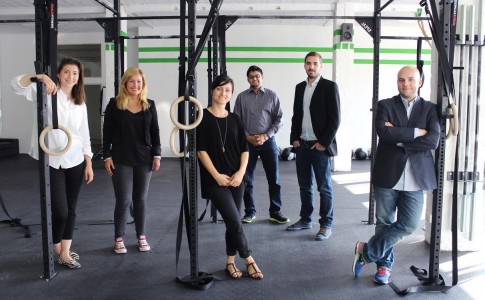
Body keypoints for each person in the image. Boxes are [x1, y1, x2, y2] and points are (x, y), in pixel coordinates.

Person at [352, 66, 440, 285]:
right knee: (384, 223)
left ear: (419, 82)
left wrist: (398, 135)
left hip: (416, 178)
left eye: (410, 80)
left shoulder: (430, 109)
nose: (405, 84)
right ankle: (384, 267)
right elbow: (384, 132)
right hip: (387, 174)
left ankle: (366, 251)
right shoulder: (385, 105)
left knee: (409, 225)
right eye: (401, 80)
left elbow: (433, 141)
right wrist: (417, 132)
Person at [12, 57, 94, 269]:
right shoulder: (45, 93)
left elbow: (84, 134)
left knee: (72, 208)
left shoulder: (80, 102)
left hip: (75, 159)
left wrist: (89, 162)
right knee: (60, 211)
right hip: (52, 159)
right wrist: (39, 77)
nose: (70, 76)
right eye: (66, 72)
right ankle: (58, 247)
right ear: (58, 74)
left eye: (75, 73)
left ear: (79, 78)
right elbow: (15, 85)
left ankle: (64, 252)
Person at [197, 74, 263, 280]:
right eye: (219, 89)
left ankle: (230, 262)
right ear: (212, 90)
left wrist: (241, 173)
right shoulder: (202, 117)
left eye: (227, 90)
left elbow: (245, 149)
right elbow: (201, 151)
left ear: (231, 94)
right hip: (215, 180)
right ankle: (249, 259)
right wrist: (216, 175)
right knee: (235, 220)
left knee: (231, 222)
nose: (223, 93)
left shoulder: (235, 119)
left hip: (236, 178)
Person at [103, 67, 161, 254]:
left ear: (143, 84)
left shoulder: (149, 105)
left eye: (139, 82)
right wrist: (107, 156)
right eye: (131, 81)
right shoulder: (114, 104)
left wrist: (157, 155)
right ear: (125, 83)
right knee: (124, 200)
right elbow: (107, 133)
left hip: (144, 159)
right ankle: (119, 238)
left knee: (140, 199)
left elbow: (155, 132)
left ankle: (141, 236)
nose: (135, 85)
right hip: (121, 159)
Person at [286, 52, 341, 241]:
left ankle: (326, 224)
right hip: (302, 146)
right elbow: (296, 115)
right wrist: (294, 138)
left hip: (320, 148)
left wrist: (323, 143)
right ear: (304, 65)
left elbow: (335, 120)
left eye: (315, 64)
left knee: (324, 188)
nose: (311, 67)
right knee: (304, 186)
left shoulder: (329, 87)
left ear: (321, 66)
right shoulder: (299, 87)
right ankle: (305, 219)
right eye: (308, 63)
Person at [233, 65, 289, 224]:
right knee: (246, 178)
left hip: (268, 142)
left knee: (274, 179)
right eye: (251, 77)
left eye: (257, 76)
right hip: (247, 143)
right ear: (247, 79)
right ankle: (250, 212)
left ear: (262, 77)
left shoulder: (271, 95)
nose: (254, 79)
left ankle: (275, 211)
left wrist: (265, 136)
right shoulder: (241, 97)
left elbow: (279, 119)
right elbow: (236, 121)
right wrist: (247, 137)